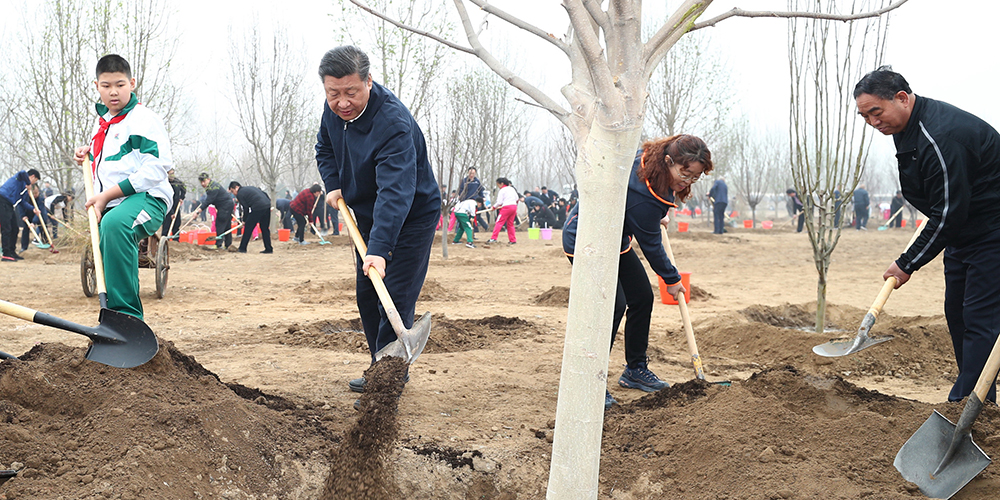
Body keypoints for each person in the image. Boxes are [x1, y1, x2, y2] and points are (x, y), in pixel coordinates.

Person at [854, 66, 1000, 402]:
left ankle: (965, 405)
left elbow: (948, 213)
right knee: (958, 314)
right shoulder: (910, 129)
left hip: (992, 232)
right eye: (865, 117)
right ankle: (980, 401)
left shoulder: (942, 136)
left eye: (876, 112)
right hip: (965, 234)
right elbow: (944, 208)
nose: (874, 123)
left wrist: (907, 262)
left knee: (980, 320)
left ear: (902, 98)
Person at [315, 46, 441, 400]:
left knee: (395, 293)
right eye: (333, 93)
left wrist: (381, 249)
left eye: (351, 92)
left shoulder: (393, 124)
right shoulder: (332, 113)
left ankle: (387, 381)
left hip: (411, 215)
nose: (342, 102)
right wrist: (334, 184)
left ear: (368, 81)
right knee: (368, 296)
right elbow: (324, 149)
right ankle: (380, 364)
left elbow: (396, 191)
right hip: (368, 215)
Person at [563, 134, 713, 409]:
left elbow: (640, 213)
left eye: (695, 177)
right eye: (685, 173)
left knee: (642, 297)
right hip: (586, 241)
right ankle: (589, 381)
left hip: (614, 242)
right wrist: (672, 279)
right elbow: (652, 245)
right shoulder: (644, 194)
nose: (687, 181)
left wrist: (657, 215)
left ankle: (635, 370)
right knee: (614, 305)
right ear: (668, 160)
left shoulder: (649, 165)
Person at [72, 54, 173, 319]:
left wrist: (105, 196)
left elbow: (155, 167)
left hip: (147, 197)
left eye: (120, 84)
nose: (113, 92)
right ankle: (114, 318)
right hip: (115, 202)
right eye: (106, 86)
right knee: (109, 228)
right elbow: (114, 164)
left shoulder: (144, 119)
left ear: (132, 83)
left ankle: (127, 319)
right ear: (97, 86)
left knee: (115, 225)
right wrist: (89, 155)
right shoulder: (102, 123)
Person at [0, 169, 41, 261]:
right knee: (6, 229)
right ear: (32, 176)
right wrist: (28, 183)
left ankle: (12, 252)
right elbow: (23, 172)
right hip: (2, 200)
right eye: (35, 180)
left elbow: (22, 202)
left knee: (15, 228)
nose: (34, 183)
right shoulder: (20, 178)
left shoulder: (24, 189)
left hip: (10, 205)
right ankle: (6, 254)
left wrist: (33, 209)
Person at [192, 173, 235, 250]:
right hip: (226, 205)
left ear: (208, 179)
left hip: (225, 206)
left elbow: (208, 201)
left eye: (204, 181)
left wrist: (198, 212)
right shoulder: (211, 186)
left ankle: (218, 244)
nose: (202, 184)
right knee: (227, 225)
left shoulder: (213, 187)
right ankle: (228, 244)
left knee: (220, 223)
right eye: (201, 182)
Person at [228, 181, 273, 254]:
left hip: (258, 207)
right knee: (265, 228)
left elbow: (245, 208)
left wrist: (244, 220)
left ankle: (242, 248)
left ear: (236, 187)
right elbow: (264, 194)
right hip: (267, 205)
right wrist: (268, 204)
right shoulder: (250, 188)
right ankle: (269, 248)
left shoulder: (240, 194)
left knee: (248, 227)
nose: (234, 194)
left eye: (233, 191)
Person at [488, 177, 519, 244]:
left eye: (498, 185)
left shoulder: (502, 190)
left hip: (506, 208)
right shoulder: (512, 189)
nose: (498, 187)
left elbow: (499, 202)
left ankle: (493, 238)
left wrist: (493, 207)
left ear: (502, 183)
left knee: (499, 222)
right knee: (510, 224)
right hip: (514, 207)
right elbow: (517, 198)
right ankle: (513, 240)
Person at [161, 168, 186, 239]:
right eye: (170, 174)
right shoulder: (165, 184)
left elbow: (184, 188)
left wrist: (182, 197)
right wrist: (171, 212)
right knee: (166, 226)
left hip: (176, 206)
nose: (171, 175)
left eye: (172, 173)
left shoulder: (177, 182)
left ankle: (176, 240)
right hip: (168, 207)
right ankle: (164, 240)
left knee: (176, 224)